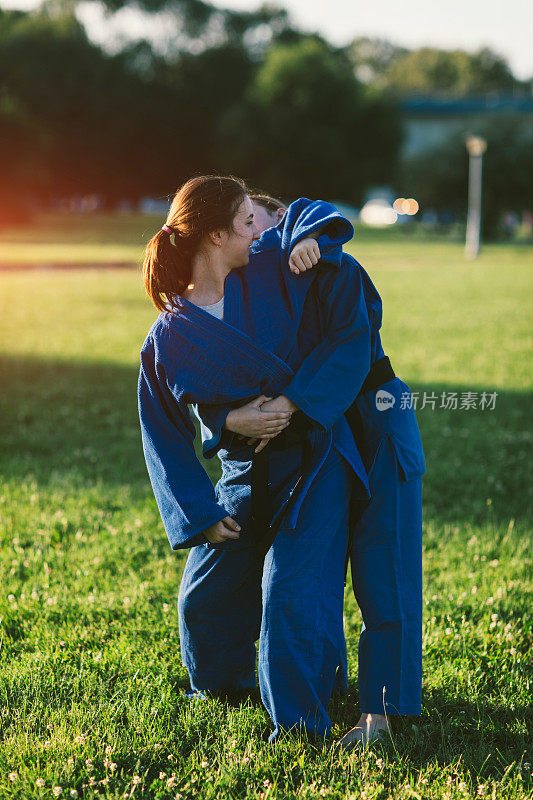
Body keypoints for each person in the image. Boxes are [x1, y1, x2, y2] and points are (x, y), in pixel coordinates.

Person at [138, 175, 373, 743]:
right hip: (243, 473)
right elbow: (163, 428)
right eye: (248, 222)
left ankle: (299, 721)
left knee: (292, 587)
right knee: (208, 590)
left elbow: (308, 211)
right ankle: (221, 684)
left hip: (315, 457)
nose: (259, 230)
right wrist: (198, 504)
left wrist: (309, 236)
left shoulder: (270, 267)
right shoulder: (169, 335)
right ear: (216, 236)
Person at [215, 193, 426, 749]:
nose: (249, 240)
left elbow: (323, 215)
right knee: (312, 571)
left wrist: (317, 234)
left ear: (282, 221)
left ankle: (381, 714)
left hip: (375, 419)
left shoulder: (327, 259)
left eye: (254, 224)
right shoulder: (251, 286)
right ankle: (322, 690)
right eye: (242, 230)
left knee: (385, 572)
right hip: (321, 438)